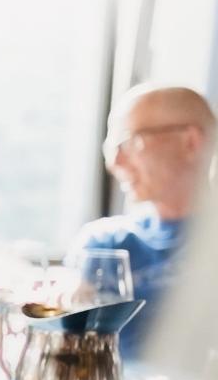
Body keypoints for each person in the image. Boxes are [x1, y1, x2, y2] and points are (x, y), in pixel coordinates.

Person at [71, 84, 216, 358]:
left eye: (128, 141)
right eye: (110, 148)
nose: (115, 162)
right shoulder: (103, 244)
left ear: (191, 143)